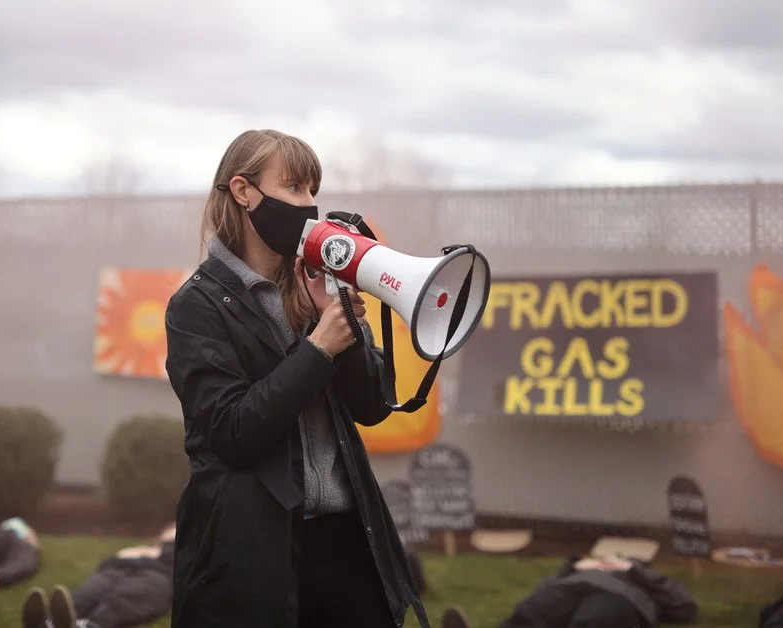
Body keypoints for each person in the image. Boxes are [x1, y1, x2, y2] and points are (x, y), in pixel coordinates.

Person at [164, 129, 430, 628]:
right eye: (294, 188)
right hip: (252, 552)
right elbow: (232, 432)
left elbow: (372, 407)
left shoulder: (316, 286)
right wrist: (318, 347)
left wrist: (346, 325)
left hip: (347, 541)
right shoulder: (195, 307)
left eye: (313, 190)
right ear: (244, 192)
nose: (309, 205)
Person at [440, 555, 697, 628]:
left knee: (594, 621)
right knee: (527, 615)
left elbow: (684, 607)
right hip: (571, 587)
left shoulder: (640, 574)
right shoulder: (579, 569)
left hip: (618, 597)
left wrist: (631, 567)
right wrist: (573, 566)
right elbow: (545, 587)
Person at [20, 524, 176, 628]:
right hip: (117, 568)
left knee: (125, 598)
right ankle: (50, 622)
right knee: (89, 593)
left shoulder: (187, 553)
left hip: (158, 574)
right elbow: (119, 556)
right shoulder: (145, 548)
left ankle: (88, 625)